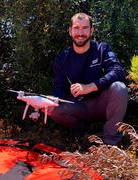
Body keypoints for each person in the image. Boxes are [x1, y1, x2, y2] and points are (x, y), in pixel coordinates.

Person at [47, 12, 128, 145]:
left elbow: (118, 71)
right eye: (76, 28)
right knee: (52, 110)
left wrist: (91, 86)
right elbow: (59, 87)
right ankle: (83, 133)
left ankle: (111, 142)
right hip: (79, 106)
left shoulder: (102, 49)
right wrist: (44, 105)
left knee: (120, 88)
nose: (80, 33)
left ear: (91, 30)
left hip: (102, 104)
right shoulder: (62, 57)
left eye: (85, 28)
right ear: (70, 31)